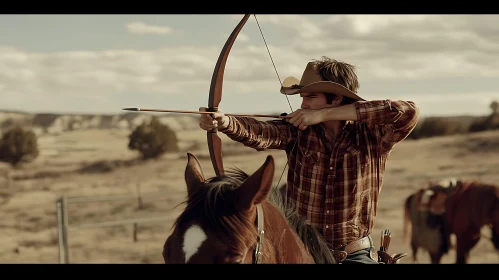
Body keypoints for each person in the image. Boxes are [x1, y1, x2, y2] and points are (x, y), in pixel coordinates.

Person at [198, 56, 419, 264]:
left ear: (337, 98)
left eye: (311, 97)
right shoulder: (299, 130)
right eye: (302, 97)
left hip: (353, 254)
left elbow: (407, 112)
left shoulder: (373, 135)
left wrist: (323, 115)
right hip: (301, 249)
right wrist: (224, 122)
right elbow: (260, 133)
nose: (303, 104)